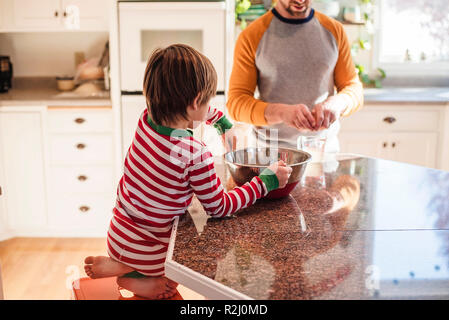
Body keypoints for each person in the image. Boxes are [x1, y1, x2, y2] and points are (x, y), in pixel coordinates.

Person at [83, 44, 292, 299]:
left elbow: (186, 110)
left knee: (165, 238)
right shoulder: (194, 153)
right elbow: (219, 207)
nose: (209, 106)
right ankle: (133, 280)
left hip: (119, 232)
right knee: (182, 269)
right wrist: (266, 182)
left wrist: (220, 121)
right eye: (208, 100)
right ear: (195, 102)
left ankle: (123, 263)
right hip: (152, 247)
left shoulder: (147, 119)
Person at [227, 0, 364, 152]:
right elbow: (236, 103)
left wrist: (338, 103)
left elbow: (353, 88)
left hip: (323, 149)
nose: (300, 0)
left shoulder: (334, 30)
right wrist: (280, 112)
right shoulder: (252, 35)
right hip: (270, 153)